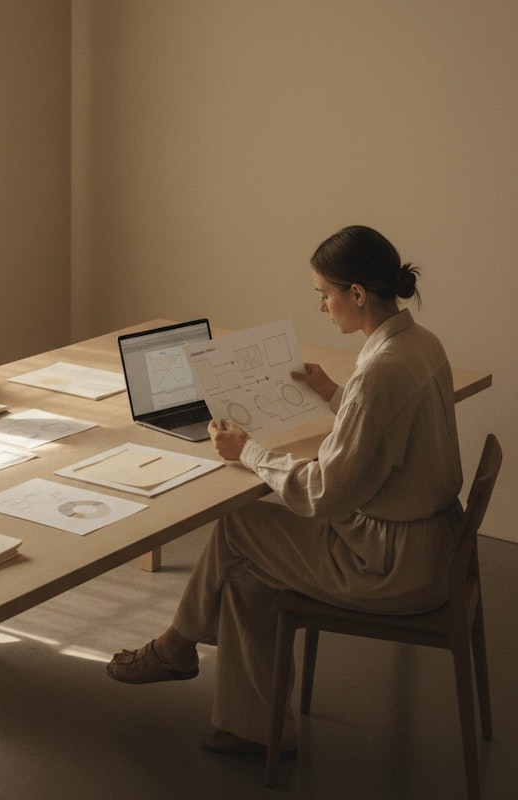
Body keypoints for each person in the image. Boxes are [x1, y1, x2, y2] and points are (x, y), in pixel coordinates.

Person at [106, 225, 463, 759]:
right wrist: (333, 393)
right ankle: (254, 729)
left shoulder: (381, 372)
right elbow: (389, 430)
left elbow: (324, 492)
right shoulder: (420, 343)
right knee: (251, 574)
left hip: (390, 565)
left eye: (324, 294)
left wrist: (248, 450)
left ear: (356, 295)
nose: (322, 307)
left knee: (239, 525)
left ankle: (176, 647)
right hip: (435, 546)